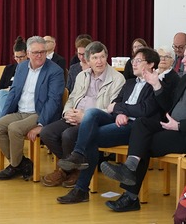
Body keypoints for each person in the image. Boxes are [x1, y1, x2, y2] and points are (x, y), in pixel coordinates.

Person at [55, 47, 160, 204]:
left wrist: (120, 110)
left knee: (91, 137)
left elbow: (144, 110)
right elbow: (115, 103)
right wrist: (120, 113)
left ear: (151, 64)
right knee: (91, 113)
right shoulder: (130, 83)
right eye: (133, 61)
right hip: (119, 120)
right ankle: (78, 154)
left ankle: (81, 189)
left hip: (135, 127)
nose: (134, 64)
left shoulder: (156, 85)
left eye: (138, 61)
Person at [100, 49, 185, 212]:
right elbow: (167, 106)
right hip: (171, 125)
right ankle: (130, 172)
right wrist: (156, 85)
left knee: (141, 144)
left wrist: (179, 126)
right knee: (141, 125)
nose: (182, 61)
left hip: (182, 132)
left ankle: (130, 195)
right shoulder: (183, 79)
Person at [40, 41, 125, 188]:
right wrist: (67, 112)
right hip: (74, 116)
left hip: (94, 119)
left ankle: (67, 170)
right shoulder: (82, 75)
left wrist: (84, 116)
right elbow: (72, 98)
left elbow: (112, 109)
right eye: (95, 58)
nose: (99, 61)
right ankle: (72, 169)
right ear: (87, 60)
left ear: (107, 57)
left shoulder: (117, 79)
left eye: (102, 57)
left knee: (68, 135)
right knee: (47, 132)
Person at [0, 36, 65, 181]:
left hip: (39, 113)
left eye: (42, 52)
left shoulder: (55, 71)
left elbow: (53, 101)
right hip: (20, 111)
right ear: (28, 53)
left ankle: (15, 166)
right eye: (35, 52)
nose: (39, 55)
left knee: (15, 129)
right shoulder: (22, 67)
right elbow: (13, 92)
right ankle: (22, 163)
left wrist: (41, 124)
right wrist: (3, 115)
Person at [0, 36, 28, 158]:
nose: (19, 60)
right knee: (1, 94)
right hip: (5, 100)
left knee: (2, 95)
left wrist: (13, 91)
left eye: (21, 57)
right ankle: (2, 137)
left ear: (27, 55)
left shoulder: (30, 69)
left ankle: (0, 143)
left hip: (20, 100)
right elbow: (0, 88)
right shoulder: (9, 69)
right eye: (16, 57)